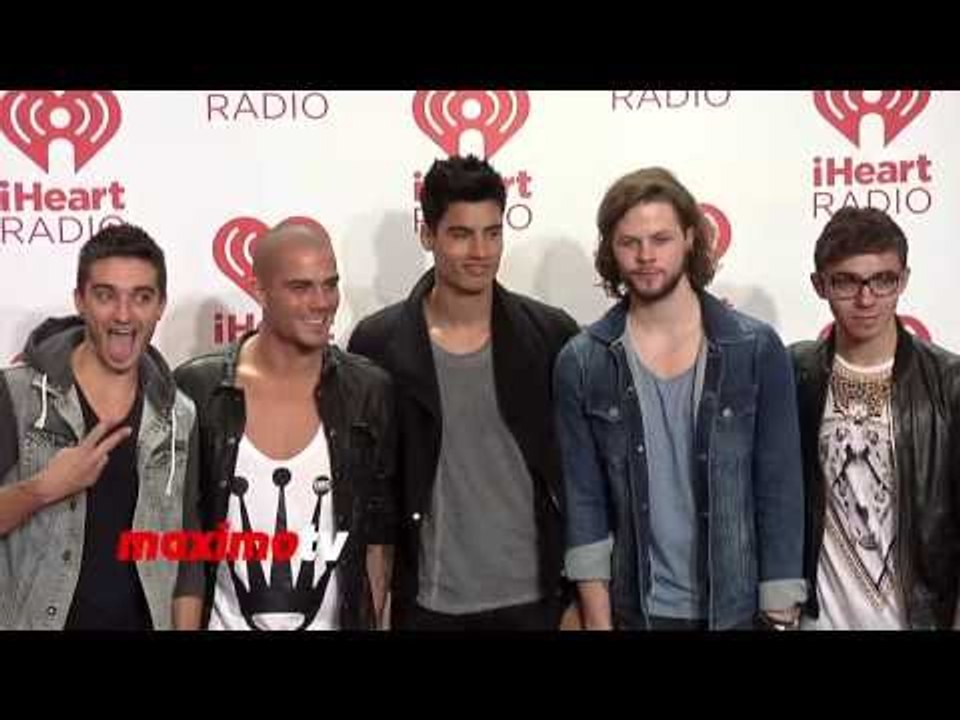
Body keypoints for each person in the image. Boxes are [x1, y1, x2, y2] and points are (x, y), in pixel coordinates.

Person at [555, 167, 806, 630]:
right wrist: (598, 620)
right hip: (635, 613)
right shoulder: (584, 361)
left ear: (691, 237)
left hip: (739, 613)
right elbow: (584, 502)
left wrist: (779, 613)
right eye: (630, 242)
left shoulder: (754, 348)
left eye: (661, 239)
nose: (646, 256)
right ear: (611, 249)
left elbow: (780, 488)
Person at [348, 155, 580, 630]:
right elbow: (374, 496)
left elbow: (578, 477)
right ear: (427, 234)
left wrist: (577, 596)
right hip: (430, 606)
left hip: (538, 603)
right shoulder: (378, 344)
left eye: (492, 233)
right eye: (461, 234)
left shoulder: (551, 335)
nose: (480, 251)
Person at [175, 219, 396, 630]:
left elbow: (378, 543)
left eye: (330, 284)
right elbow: (182, 544)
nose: (322, 302)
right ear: (260, 291)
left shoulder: (369, 391)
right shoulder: (198, 390)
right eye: (301, 287)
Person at [0, 223, 204, 629]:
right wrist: (41, 489)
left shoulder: (180, 414)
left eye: (141, 297)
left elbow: (186, 554)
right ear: (80, 300)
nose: (124, 315)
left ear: (161, 305)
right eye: (105, 295)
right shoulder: (15, 395)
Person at [791, 206, 960, 630]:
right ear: (820, 285)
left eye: (882, 280)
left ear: (903, 280)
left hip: (918, 618)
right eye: (846, 281)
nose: (866, 299)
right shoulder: (795, 373)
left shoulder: (949, 382)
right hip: (819, 620)